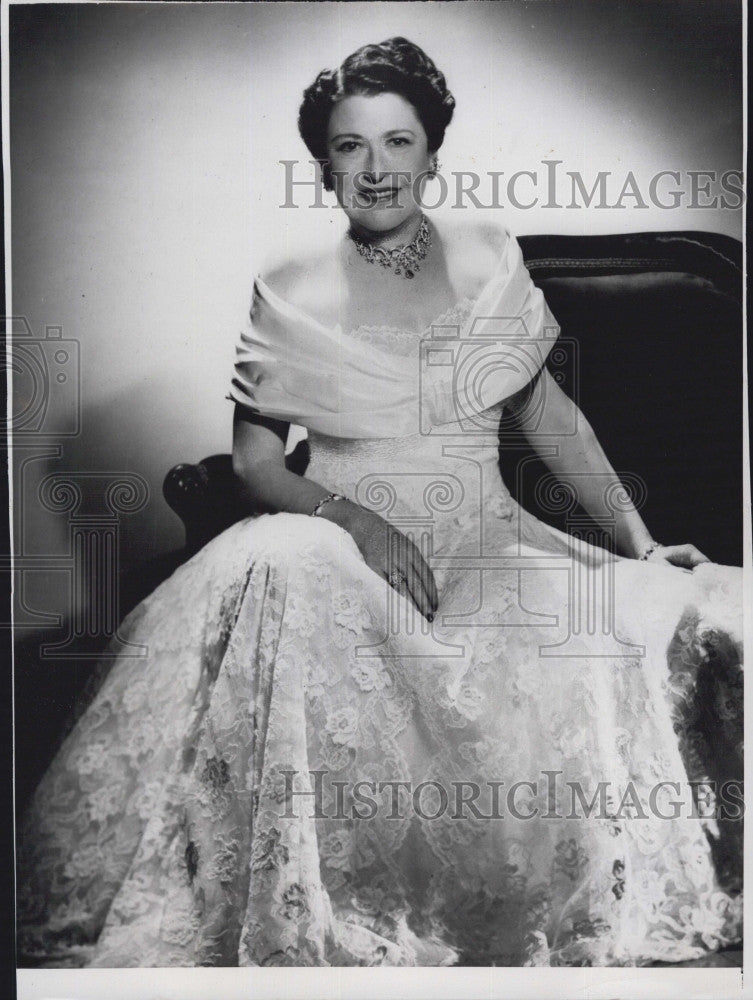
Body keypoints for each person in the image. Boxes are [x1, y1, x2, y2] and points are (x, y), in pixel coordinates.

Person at [17, 36, 743, 968]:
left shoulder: (488, 256)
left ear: (432, 153)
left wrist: (641, 546)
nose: (375, 169)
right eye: (350, 146)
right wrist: (355, 522)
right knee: (285, 560)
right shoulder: (289, 286)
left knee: (710, 607)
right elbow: (253, 465)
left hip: (490, 554)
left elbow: (551, 419)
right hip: (347, 555)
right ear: (322, 163)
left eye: (397, 143)